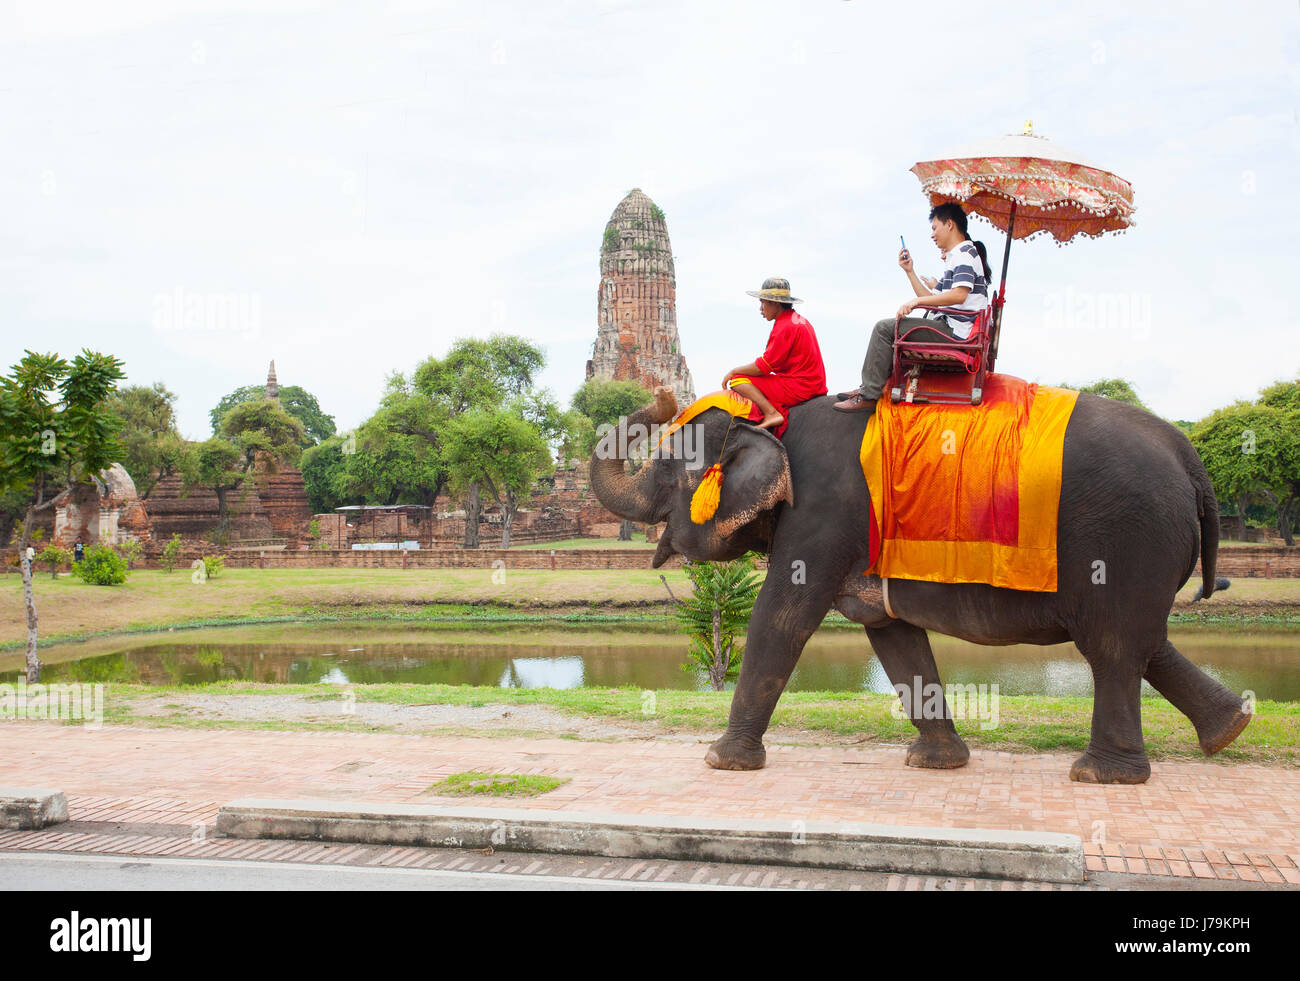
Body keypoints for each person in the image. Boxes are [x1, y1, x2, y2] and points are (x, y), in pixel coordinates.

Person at [833, 203, 992, 412]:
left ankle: (869, 394)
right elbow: (931, 298)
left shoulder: (962, 254)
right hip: (952, 326)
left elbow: (959, 295)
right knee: (892, 326)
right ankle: (870, 386)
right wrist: (910, 271)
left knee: (884, 328)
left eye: (935, 228)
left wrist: (915, 303)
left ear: (950, 224)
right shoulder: (958, 255)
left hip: (956, 333)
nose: (932, 235)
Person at [721, 277, 827, 433]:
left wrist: (733, 371)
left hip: (800, 386)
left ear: (775, 303)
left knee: (738, 380)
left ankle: (771, 413)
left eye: (763, 303)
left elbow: (763, 367)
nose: (761, 308)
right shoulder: (799, 320)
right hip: (813, 382)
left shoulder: (785, 326)